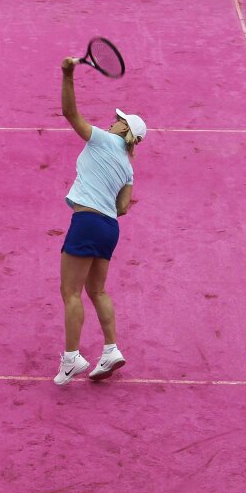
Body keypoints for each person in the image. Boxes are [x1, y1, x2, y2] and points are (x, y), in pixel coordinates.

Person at [54, 56, 146, 385]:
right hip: (109, 229)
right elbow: (123, 207)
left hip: (88, 222)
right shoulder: (128, 166)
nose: (113, 121)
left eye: (118, 120)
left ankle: (71, 358)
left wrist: (67, 74)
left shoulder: (103, 140)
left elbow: (69, 114)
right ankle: (110, 350)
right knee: (98, 290)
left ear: (125, 131)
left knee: (70, 292)